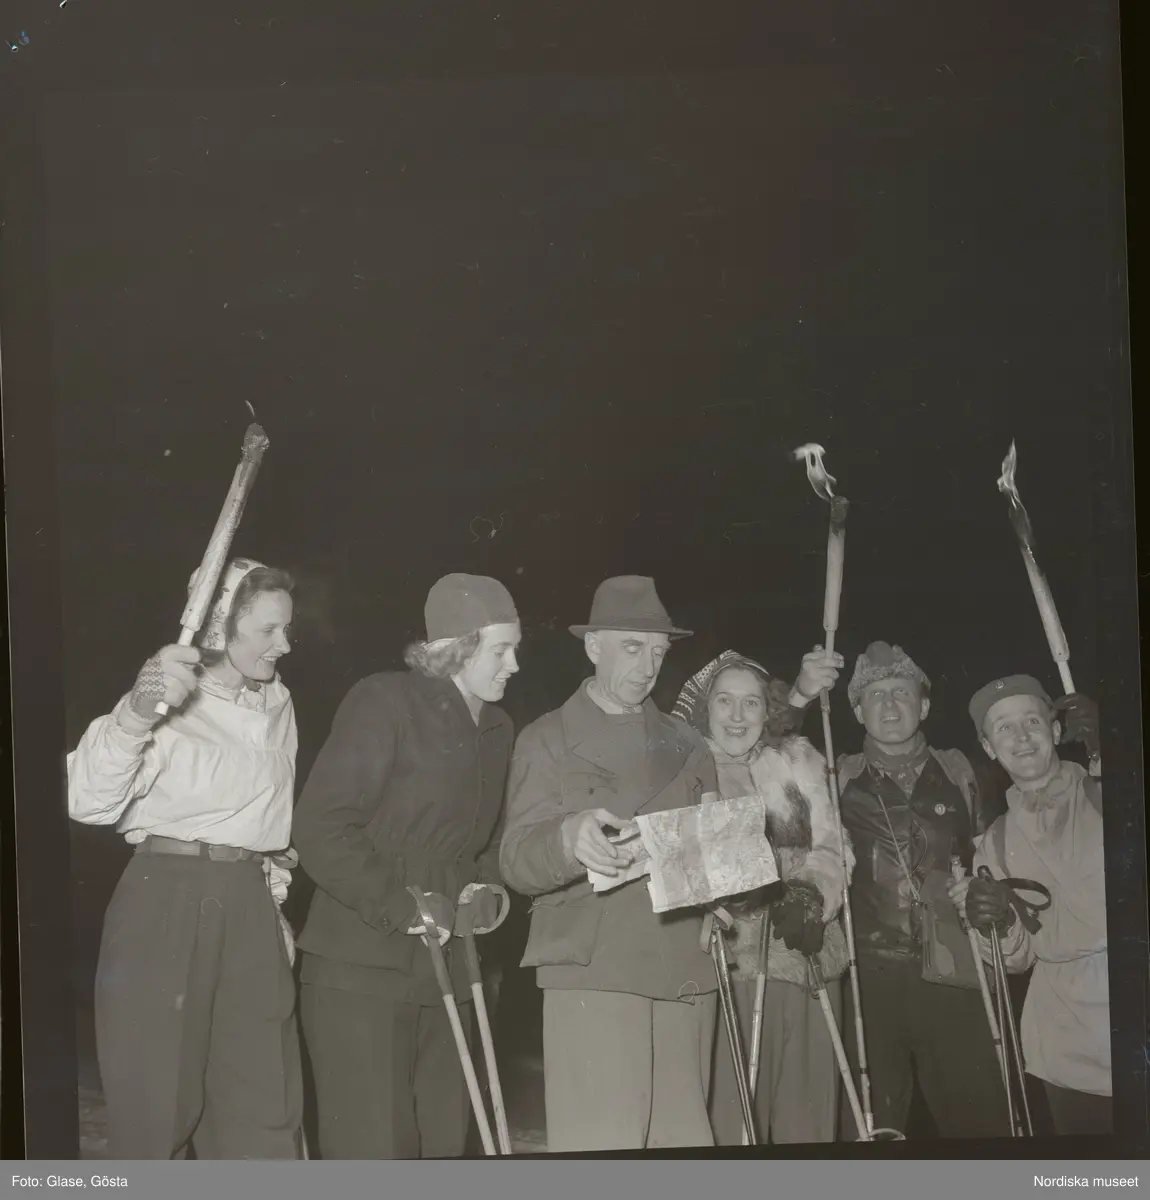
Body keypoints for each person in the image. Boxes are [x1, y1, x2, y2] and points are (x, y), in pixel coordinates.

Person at [67, 558, 303, 1160]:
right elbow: (87, 800)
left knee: (264, 1104)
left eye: (287, 629)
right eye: (268, 630)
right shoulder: (168, 697)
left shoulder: (278, 703)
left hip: (249, 901)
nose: (285, 644)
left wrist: (271, 899)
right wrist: (136, 713)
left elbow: (268, 818)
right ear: (220, 625)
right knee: (158, 1108)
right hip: (167, 897)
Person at [292, 574, 520, 1159]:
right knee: (374, 1147)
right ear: (460, 647)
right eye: (501, 650)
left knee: (444, 1140)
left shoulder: (498, 728)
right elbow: (321, 826)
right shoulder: (386, 701)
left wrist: (487, 887)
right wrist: (400, 905)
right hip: (364, 963)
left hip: (453, 959)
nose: (514, 665)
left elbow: (492, 837)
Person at [499, 575, 724, 1151]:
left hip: (683, 969)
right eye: (632, 647)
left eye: (658, 652)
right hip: (593, 970)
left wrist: (721, 896)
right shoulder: (547, 739)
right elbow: (515, 860)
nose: (648, 667)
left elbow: (711, 850)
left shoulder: (690, 744)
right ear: (594, 646)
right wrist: (566, 839)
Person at [672, 649, 851, 1145]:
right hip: (731, 972)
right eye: (724, 701)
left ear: (766, 710)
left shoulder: (796, 762)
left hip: (806, 956)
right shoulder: (686, 771)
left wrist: (812, 893)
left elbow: (831, 846)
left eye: (750, 702)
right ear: (704, 709)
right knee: (732, 1122)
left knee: (807, 1123)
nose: (737, 715)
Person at [835, 641, 1009, 1139]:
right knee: (872, 1127)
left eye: (902, 693)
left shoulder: (963, 774)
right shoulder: (836, 777)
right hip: (868, 977)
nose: (890, 705)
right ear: (857, 712)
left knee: (980, 1122)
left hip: (955, 970)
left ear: (924, 705)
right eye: (875, 695)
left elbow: (998, 856)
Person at [952, 676, 1109, 1135]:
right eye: (1004, 727)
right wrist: (997, 923)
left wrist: (1117, 746)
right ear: (988, 747)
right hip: (1066, 1038)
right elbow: (1016, 960)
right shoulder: (994, 843)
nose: (1021, 736)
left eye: (1032, 722)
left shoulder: (1104, 790)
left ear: (1057, 731)